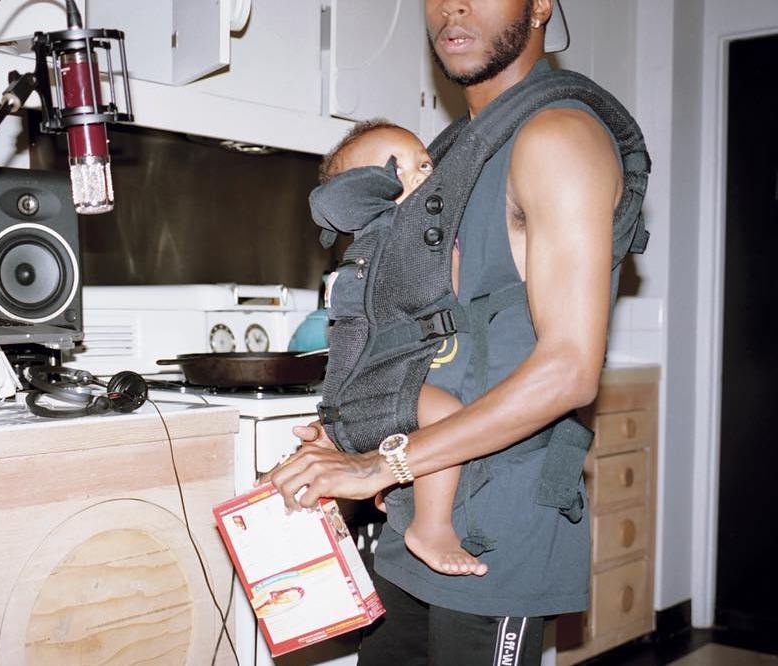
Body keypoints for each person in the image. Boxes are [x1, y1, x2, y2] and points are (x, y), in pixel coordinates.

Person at [268, 0, 636, 663]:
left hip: (492, 537)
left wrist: (378, 464)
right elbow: (421, 337)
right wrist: (356, 426)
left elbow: (569, 370)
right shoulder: (442, 161)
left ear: (541, 4)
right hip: (413, 516)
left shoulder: (558, 138)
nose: (453, 6)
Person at [315, 120, 487, 577]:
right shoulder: (392, 243)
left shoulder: (383, 245)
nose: (420, 178)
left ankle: (395, 489)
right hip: (370, 394)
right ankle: (431, 527)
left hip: (369, 393)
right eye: (396, 172)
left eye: (424, 165)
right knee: (447, 417)